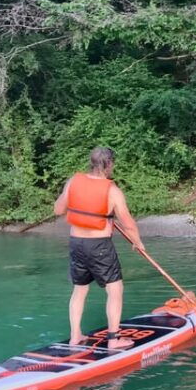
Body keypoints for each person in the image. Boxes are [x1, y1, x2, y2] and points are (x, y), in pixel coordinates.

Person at [53, 147, 145, 350]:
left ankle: (75, 335)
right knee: (115, 290)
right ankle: (113, 340)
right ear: (109, 164)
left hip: (76, 243)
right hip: (99, 247)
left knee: (79, 290)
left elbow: (58, 209)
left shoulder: (73, 182)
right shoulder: (112, 191)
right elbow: (127, 222)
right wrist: (137, 242)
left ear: (91, 162)